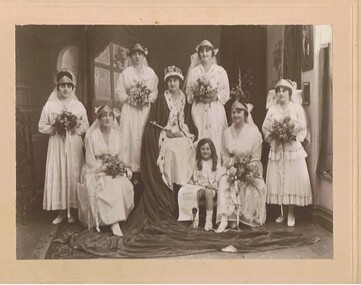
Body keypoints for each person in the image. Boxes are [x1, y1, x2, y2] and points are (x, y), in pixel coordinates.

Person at [38, 68, 89, 224]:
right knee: (60, 172)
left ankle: (74, 209)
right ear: (57, 87)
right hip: (57, 144)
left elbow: (86, 124)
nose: (65, 89)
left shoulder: (78, 105)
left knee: (73, 172)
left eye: (68, 85)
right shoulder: (50, 106)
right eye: (62, 85)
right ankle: (61, 211)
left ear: (73, 87)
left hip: (73, 143)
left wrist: (75, 129)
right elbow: (41, 126)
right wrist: (55, 128)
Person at [77, 105, 134, 236]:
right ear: (99, 118)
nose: (107, 118)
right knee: (107, 185)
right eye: (104, 115)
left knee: (121, 183)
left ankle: (115, 219)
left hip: (113, 167)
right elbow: (90, 160)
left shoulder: (117, 135)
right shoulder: (93, 136)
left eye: (110, 115)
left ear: (114, 118)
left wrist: (119, 167)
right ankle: (113, 222)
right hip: (96, 168)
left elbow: (120, 157)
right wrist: (102, 168)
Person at [262, 79, 312, 227]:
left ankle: (291, 213)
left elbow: (303, 128)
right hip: (278, 148)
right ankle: (282, 212)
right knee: (279, 179)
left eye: (284, 90)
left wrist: (293, 137)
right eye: (278, 91)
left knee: (291, 179)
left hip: (292, 149)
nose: (281, 93)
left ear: (290, 93)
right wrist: (272, 137)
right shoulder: (272, 109)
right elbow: (265, 128)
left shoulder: (296, 108)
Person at [216, 100, 267, 232]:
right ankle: (225, 218)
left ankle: (241, 216)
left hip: (250, 168)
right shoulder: (226, 132)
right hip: (231, 166)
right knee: (224, 181)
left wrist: (245, 168)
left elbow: (256, 158)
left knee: (248, 183)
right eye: (233, 112)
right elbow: (224, 155)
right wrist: (231, 165)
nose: (235, 115)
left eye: (239, 112)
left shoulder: (254, 133)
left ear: (245, 114)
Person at [115, 43, 159, 177]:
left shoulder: (150, 73)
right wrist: (130, 99)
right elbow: (119, 92)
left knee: (142, 135)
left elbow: (155, 92)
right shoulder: (125, 73)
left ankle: (143, 170)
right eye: (134, 54)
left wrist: (147, 99)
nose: (137, 56)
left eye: (140, 54)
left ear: (144, 55)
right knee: (129, 136)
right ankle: (130, 171)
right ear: (131, 56)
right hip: (130, 110)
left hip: (144, 110)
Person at [184, 39, 230, 157]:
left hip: (215, 110)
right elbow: (188, 92)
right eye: (202, 51)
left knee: (216, 137)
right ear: (199, 54)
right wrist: (197, 95)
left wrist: (214, 97)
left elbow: (226, 93)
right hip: (199, 110)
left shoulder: (220, 71)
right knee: (200, 135)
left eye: (207, 51)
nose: (205, 54)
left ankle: (216, 169)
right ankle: (199, 170)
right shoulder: (194, 72)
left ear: (212, 53)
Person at [155, 66, 196, 191]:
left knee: (187, 146)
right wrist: (167, 132)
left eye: (175, 80)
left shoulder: (184, 98)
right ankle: (170, 184)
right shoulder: (162, 99)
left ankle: (183, 184)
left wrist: (181, 132)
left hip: (181, 132)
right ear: (166, 82)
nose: (172, 83)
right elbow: (158, 120)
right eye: (169, 81)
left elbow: (187, 120)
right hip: (166, 133)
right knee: (170, 149)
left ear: (180, 81)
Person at [191, 138, 222, 231]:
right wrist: (197, 184)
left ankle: (208, 220)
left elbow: (219, 177)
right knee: (196, 194)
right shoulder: (197, 163)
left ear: (212, 150)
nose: (205, 151)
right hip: (200, 186)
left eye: (207, 149)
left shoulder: (216, 162)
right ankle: (195, 218)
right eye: (203, 149)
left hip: (212, 188)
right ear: (199, 151)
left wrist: (213, 185)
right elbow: (195, 177)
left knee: (208, 192)